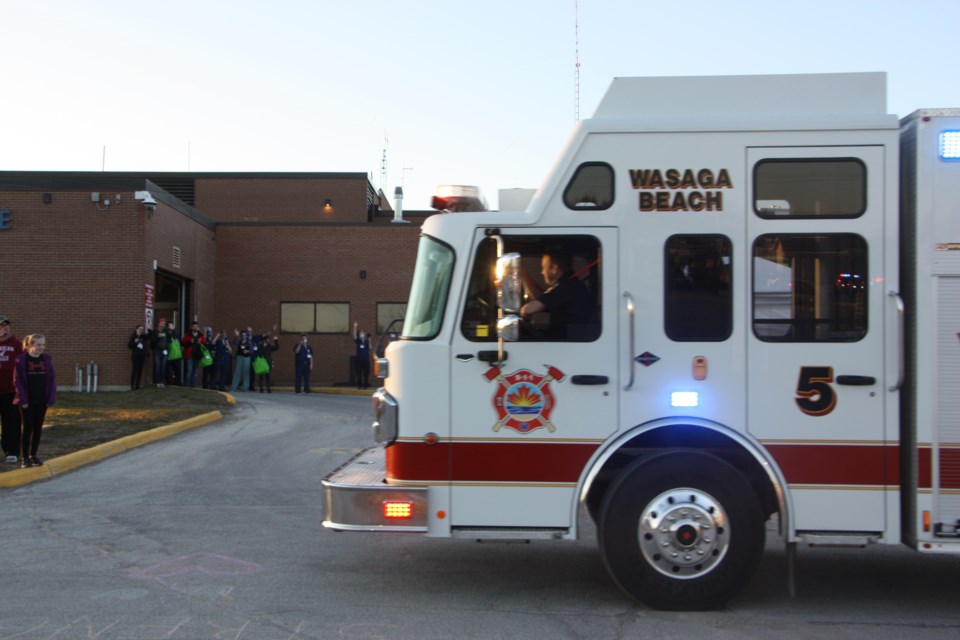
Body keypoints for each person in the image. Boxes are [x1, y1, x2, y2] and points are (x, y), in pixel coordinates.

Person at [519, 251, 594, 339]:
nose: (542, 272)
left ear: (554, 268)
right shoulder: (571, 283)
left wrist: (523, 312)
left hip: (568, 341)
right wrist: (524, 276)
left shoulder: (566, 286)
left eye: (543, 268)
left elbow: (528, 310)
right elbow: (542, 298)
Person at [13, 334, 56, 468]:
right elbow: (17, 381)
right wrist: (23, 399)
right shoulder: (21, 360)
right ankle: (25, 458)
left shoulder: (46, 359)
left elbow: (51, 379)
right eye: (38, 345)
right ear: (30, 345)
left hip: (42, 400)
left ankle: (34, 455)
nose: (41, 347)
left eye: (43, 345)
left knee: (37, 429)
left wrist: (50, 398)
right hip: (28, 401)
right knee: (27, 429)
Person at [0, 314, 24, 464]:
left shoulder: (18, 345)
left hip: (11, 392)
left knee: (11, 423)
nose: (4, 328)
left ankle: (12, 451)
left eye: (6, 325)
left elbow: (23, 367)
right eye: (1, 325)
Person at [150, 318, 174, 388]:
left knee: (163, 366)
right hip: (157, 350)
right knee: (158, 365)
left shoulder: (166, 331)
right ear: (159, 324)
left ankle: (162, 381)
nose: (162, 325)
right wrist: (158, 336)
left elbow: (171, 337)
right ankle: (157, 381)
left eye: (164, 324)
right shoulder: (155, 331)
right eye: (161, 323)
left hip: (164, 350)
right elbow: (152, 341)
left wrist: (171, 330)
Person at [181, 321, 203, 388]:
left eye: (196, 326)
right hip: (189, 355)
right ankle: (186, 385)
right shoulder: (187, 334)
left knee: (195, 372)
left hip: (197, 355)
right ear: (191, 327)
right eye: (194, 326)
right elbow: (182, 343)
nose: (195, 328)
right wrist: (190, 342)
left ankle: (193, 386)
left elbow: (204, 344)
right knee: (189, 371)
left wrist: (200, 343)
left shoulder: (200, 335)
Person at [352, 321, 372, 390]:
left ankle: (365, 386)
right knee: (359, 374)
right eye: (361, 333)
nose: (362, 334)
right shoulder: (358, 341)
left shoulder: (366, 341)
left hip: (366, 360)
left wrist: (369, 341)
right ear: (359, 335)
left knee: (366, 374)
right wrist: (355, 327)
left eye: (363, 333)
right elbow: (354, 336)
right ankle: (359, 386)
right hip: (359, 360)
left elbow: (370, 348)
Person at [128, 324, 148, 390]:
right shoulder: (133, 336)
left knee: (140, 370)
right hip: (135, 355)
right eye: (140, 329)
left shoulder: (143, 337)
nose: (141, 330)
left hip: (142, 355)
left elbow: (148, 337)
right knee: (135, 370)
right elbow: (130, 346)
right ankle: (132, 385)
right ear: (136, 329)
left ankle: (137, 385)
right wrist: (135, 342)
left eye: (142, 329)